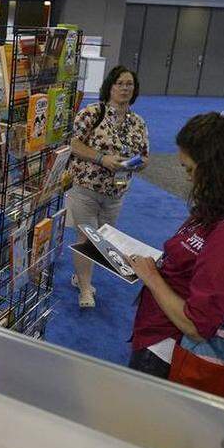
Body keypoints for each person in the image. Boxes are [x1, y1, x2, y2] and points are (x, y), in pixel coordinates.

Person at [128, 112, 224, 405]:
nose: (188, 178)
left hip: (175, 354)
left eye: (191, 169)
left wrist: (152, 277)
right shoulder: (220, 207)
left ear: (216, 170)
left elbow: (196, 325)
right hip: (161, 335)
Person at [65, 65, 149, 309]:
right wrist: (102, 159)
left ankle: (79, 277)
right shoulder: (93, 113)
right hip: (86, 187)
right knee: (86, 237)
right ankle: (85, 289)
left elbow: (145, 157)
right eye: (119, 83)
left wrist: (134, 164)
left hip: (116, 193)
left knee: (101, 240)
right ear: (109, 87)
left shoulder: (138, 122)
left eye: (129, 84)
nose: (125, 88)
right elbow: (72, 143)